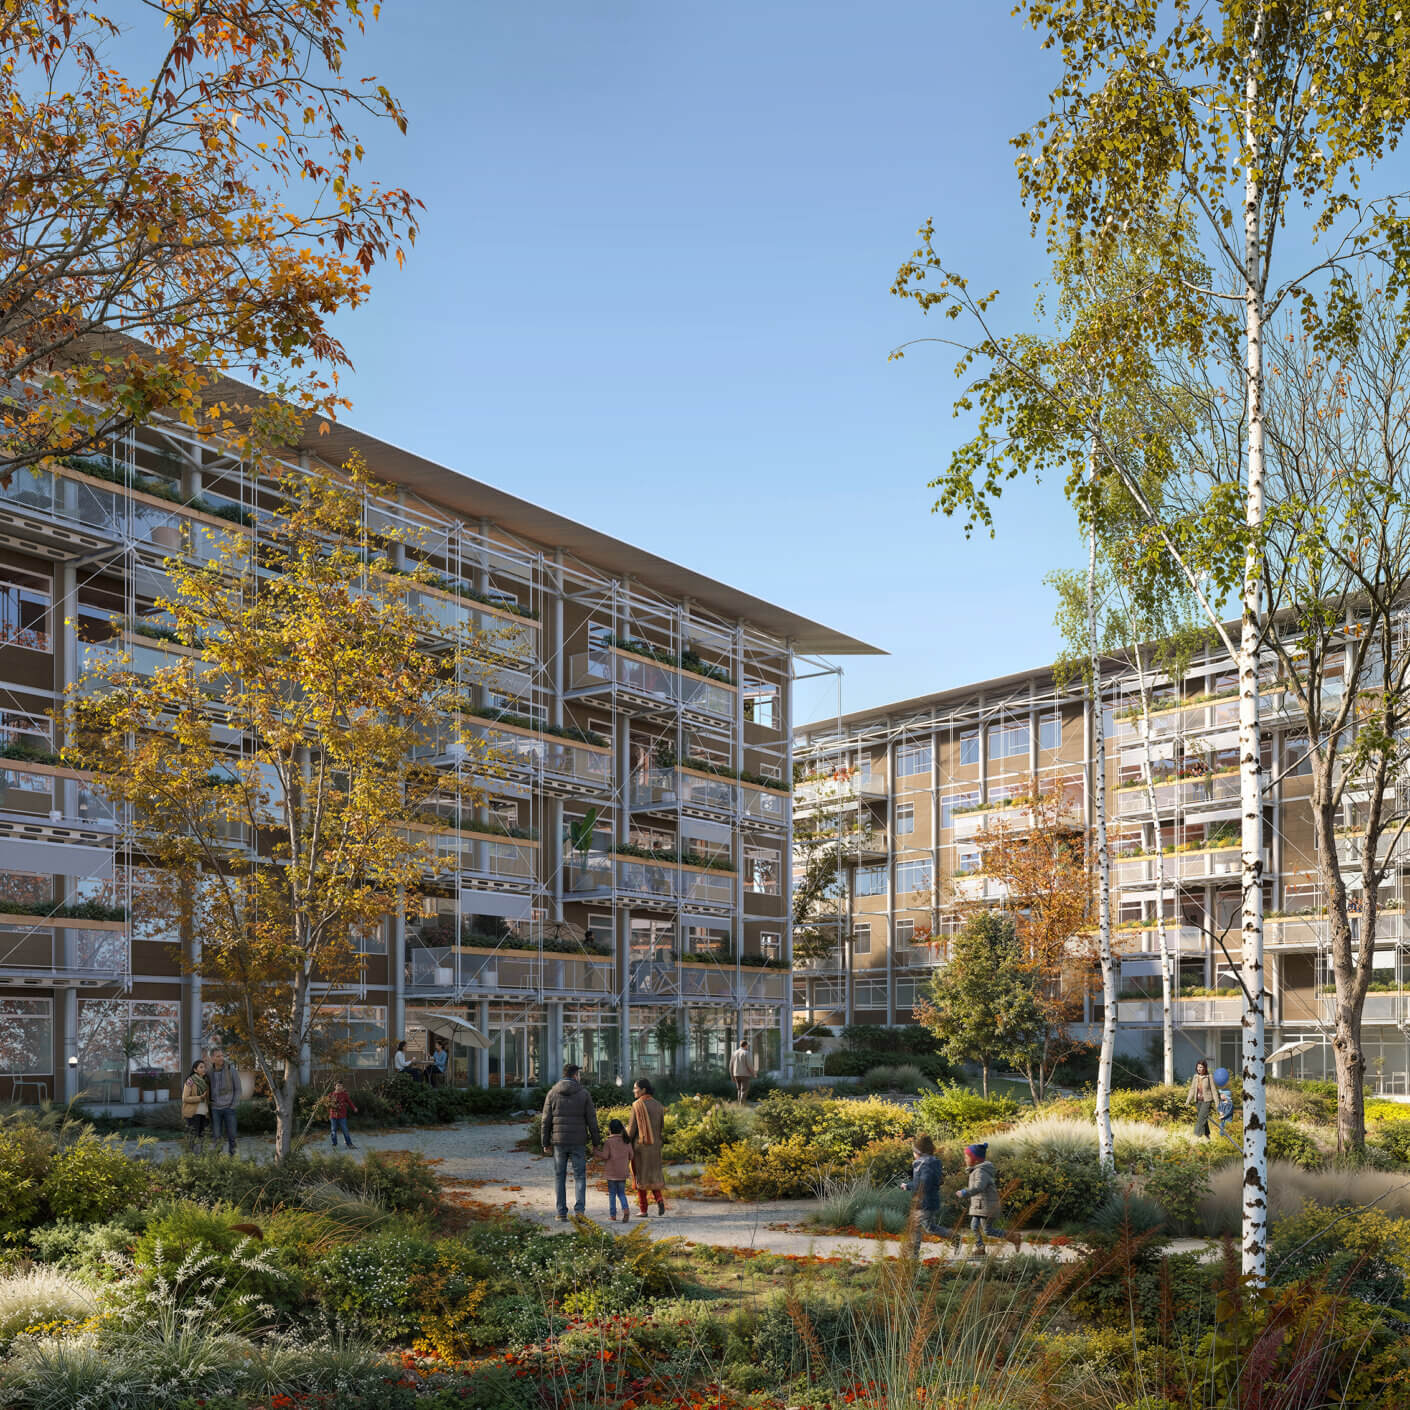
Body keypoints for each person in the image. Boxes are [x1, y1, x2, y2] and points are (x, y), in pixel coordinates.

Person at [541, 1062, 601, 1221]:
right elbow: (592, 1120)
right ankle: (580, 1212)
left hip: (559, 1142)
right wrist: (596, 1142)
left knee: (559, 1176)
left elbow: (546, 1120)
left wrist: (545, 1142)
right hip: (578, 1141)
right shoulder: (584, 1093)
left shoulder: (552, 1093)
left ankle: (561, 1213)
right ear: (575, 1075)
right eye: (579, 1075)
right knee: (580, 1176)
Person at [627, 1077, 668, 1217]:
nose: (634, 1090)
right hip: (655, 1146)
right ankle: (659, 1199)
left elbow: (631, 1130)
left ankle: (643, 1210)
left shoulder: (637, 1105)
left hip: (641, 1146)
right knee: (653, 1176)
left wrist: (622, 1139)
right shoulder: (659, 1105)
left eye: (635, 1088)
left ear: (643, 1090)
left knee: (641, 1177)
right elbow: (662, 1127)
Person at [901, 1133, 946, 1255]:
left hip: (924, 1201)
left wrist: (909, 1186)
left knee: (914, 1226)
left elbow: (923, 1184)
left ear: (918, 1152)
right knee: (930, 1227)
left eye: (913, 1152)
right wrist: (909, 1185)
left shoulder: (923, 1164)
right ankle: (954, 1236)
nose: (913, 1155)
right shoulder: (933, 1163)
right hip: (930, 1200)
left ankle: (913, 1256)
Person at [954, 1142, 999, 1257]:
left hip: (986, 1205)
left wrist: (965, 1192)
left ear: (976, 1160)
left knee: (987, 1230)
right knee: (975, 1226)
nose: (965, 1159)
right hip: (980, 1205)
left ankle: (1011, 1236)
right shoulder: (976, 1170)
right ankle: (980, 1248)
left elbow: (979, 1187)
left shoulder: (980, 1171)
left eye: (967, 1156)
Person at [207, 1048, 240, 1157]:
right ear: (212, 1058)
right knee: (216, 1135)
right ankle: (218, 1157)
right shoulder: (209, 1072)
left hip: (229, 1108)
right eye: (218, 1056)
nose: (221, 1058)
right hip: (215, 1109)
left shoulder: (231, 1070)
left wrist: (233, 1105)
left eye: (222, 1055)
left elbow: (238, 1089)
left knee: (232, 1135)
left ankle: (233, 1157)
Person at [602, 1117, 634, 1222]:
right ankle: (626, 1210)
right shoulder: (626, 1141)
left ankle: (613, 1215)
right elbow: (632, 1156)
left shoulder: (608, 1142)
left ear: (610, 1129)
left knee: (612, 1194)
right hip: (622, 1172)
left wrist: (596, 1152)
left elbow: (605, 1156)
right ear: (621, 1129)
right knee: (621, 1193)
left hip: (611, 1173)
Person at [181, 1058, 210, 1150]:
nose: (204, 1069)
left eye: (204, 1067)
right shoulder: (190, 1081)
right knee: (192, 1135)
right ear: (195, 1070)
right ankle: (190, 1155)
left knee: (203, 1134)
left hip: (204, 1112)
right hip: (192, 1112)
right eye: (201, 1067)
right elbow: (185, 1098)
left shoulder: (205, 1081)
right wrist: (200, 1098)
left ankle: (201, 1155)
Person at [1187, 1059, 1215, 1138]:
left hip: (1207, 1101)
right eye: (1198, 1067)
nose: (1199, 1069)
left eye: (1201, 1067)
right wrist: (1188, 1100)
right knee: (1203, 1119)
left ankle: (1196, 1136)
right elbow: (1192, 1089)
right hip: (1198, 1101)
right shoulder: (1195, 1077)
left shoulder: (1209, 1077)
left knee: (1201, 1119)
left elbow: (1213, 1090)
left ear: (1205, 1068)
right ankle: (1207, 1136)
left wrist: (1217, 1103)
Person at [328, 1079, 358, 1148]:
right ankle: (334, 1144)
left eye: (341, 1086)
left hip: (342, 1116)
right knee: (333, 1131)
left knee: (345, 1130)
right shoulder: (331, 1095)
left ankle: (349, 1144)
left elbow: (349, 1102)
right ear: (335, 1086)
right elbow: (328, 1104)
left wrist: (354, 1108)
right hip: (333, 1116)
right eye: (338, 1086)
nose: (340, 1087)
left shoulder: (344, 1095)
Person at [729, 1036, 756, 1103]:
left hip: (736, 1074)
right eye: (747, 1045)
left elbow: (730, 1065)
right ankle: (742, 1105)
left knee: (739, 1090)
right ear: (745, 1045)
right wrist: (754, 1073)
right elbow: (749, 1065)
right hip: (745, 1075)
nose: (748, 1047)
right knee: (744, 1090)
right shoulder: (746, 1053)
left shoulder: (734, 1053)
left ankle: (739, 1105)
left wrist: (732, 1076)